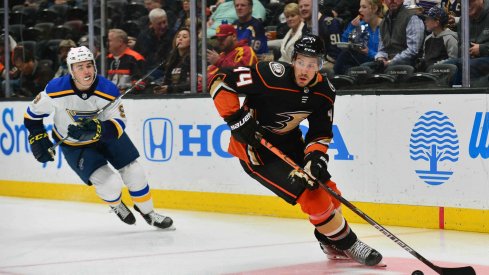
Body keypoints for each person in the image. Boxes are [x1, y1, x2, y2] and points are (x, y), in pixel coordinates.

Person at [207, 34, 383, 266]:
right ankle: (350, 244)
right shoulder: (269, 73)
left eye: (312, 65)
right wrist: (236, 118)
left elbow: (319, 133)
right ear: (293, 60)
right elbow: (219, 80)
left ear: (320, 65)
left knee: (331, 192)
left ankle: (328, 240)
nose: (305, 70)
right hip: (256, 151)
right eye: (301, 62)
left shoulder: (324, 91)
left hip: (291, 145)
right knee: (314, 196)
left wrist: (315, 158)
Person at [23, 46, 174, 229]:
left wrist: (97, 130)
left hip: (106, 136)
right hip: (75, 145)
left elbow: (119, 123)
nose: (86, 71)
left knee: (135, 173)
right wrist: (38, 136)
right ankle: (116, 204)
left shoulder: (107, 89)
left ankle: (149, 213)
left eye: (89, 65)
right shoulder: (56, 89)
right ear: (71, 71)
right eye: (80, 67)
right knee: (109, 184)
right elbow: (32, 115)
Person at [442, 0, 489, 85]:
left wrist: (482, 48)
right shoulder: (463, 20)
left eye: (471, 1)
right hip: (469, 59)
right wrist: (466, 49)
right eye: (464, 2)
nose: (467, 5)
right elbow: (461, 46)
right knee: (446, 67)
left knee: (466, 67)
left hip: (485, 57)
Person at [370, 0, 425, 72]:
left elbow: (413, 50)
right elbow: (382, 49)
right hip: (388, 63)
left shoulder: (412, 18)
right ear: (384, 1)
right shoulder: (383, 22)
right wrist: (380, 59)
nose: (392, 1)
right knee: (365, 69)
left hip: (408, 64)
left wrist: (391, 62)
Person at [333, 0, 383, 75]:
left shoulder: (385, 26)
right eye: (360, 7)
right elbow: (344, 44)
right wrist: (351, 26)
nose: (359, 10)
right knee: (345, 54)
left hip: (379, 64)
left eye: (364, 7)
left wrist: (368, 52)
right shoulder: (362, 25)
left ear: (375, 9)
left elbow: (387, 55)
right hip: (362, 64)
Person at [153, 28, 202, 94]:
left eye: (184, 37)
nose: (180, 39)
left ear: (192, 41)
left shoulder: (195, 59)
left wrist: (170, 89)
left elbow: (196, 83)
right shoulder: (172, 60)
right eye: (178, 36)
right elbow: (167, 80)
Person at [133, 8, 174, 80]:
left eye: (164, 22)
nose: (163, 26)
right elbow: (136, 56)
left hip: (165, 72)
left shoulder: (174, 35)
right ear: (151, 24)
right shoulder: (143, 36)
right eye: (159, 24)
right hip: (145, 72)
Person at [416, 6, 458, 72]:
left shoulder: (450, 39)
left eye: (428, 19)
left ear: (437, 23)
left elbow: (453, 61)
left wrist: (435, 66)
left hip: (442, 75)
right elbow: (425, 58)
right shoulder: (428, 39)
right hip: (427, 74)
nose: (425, 21)